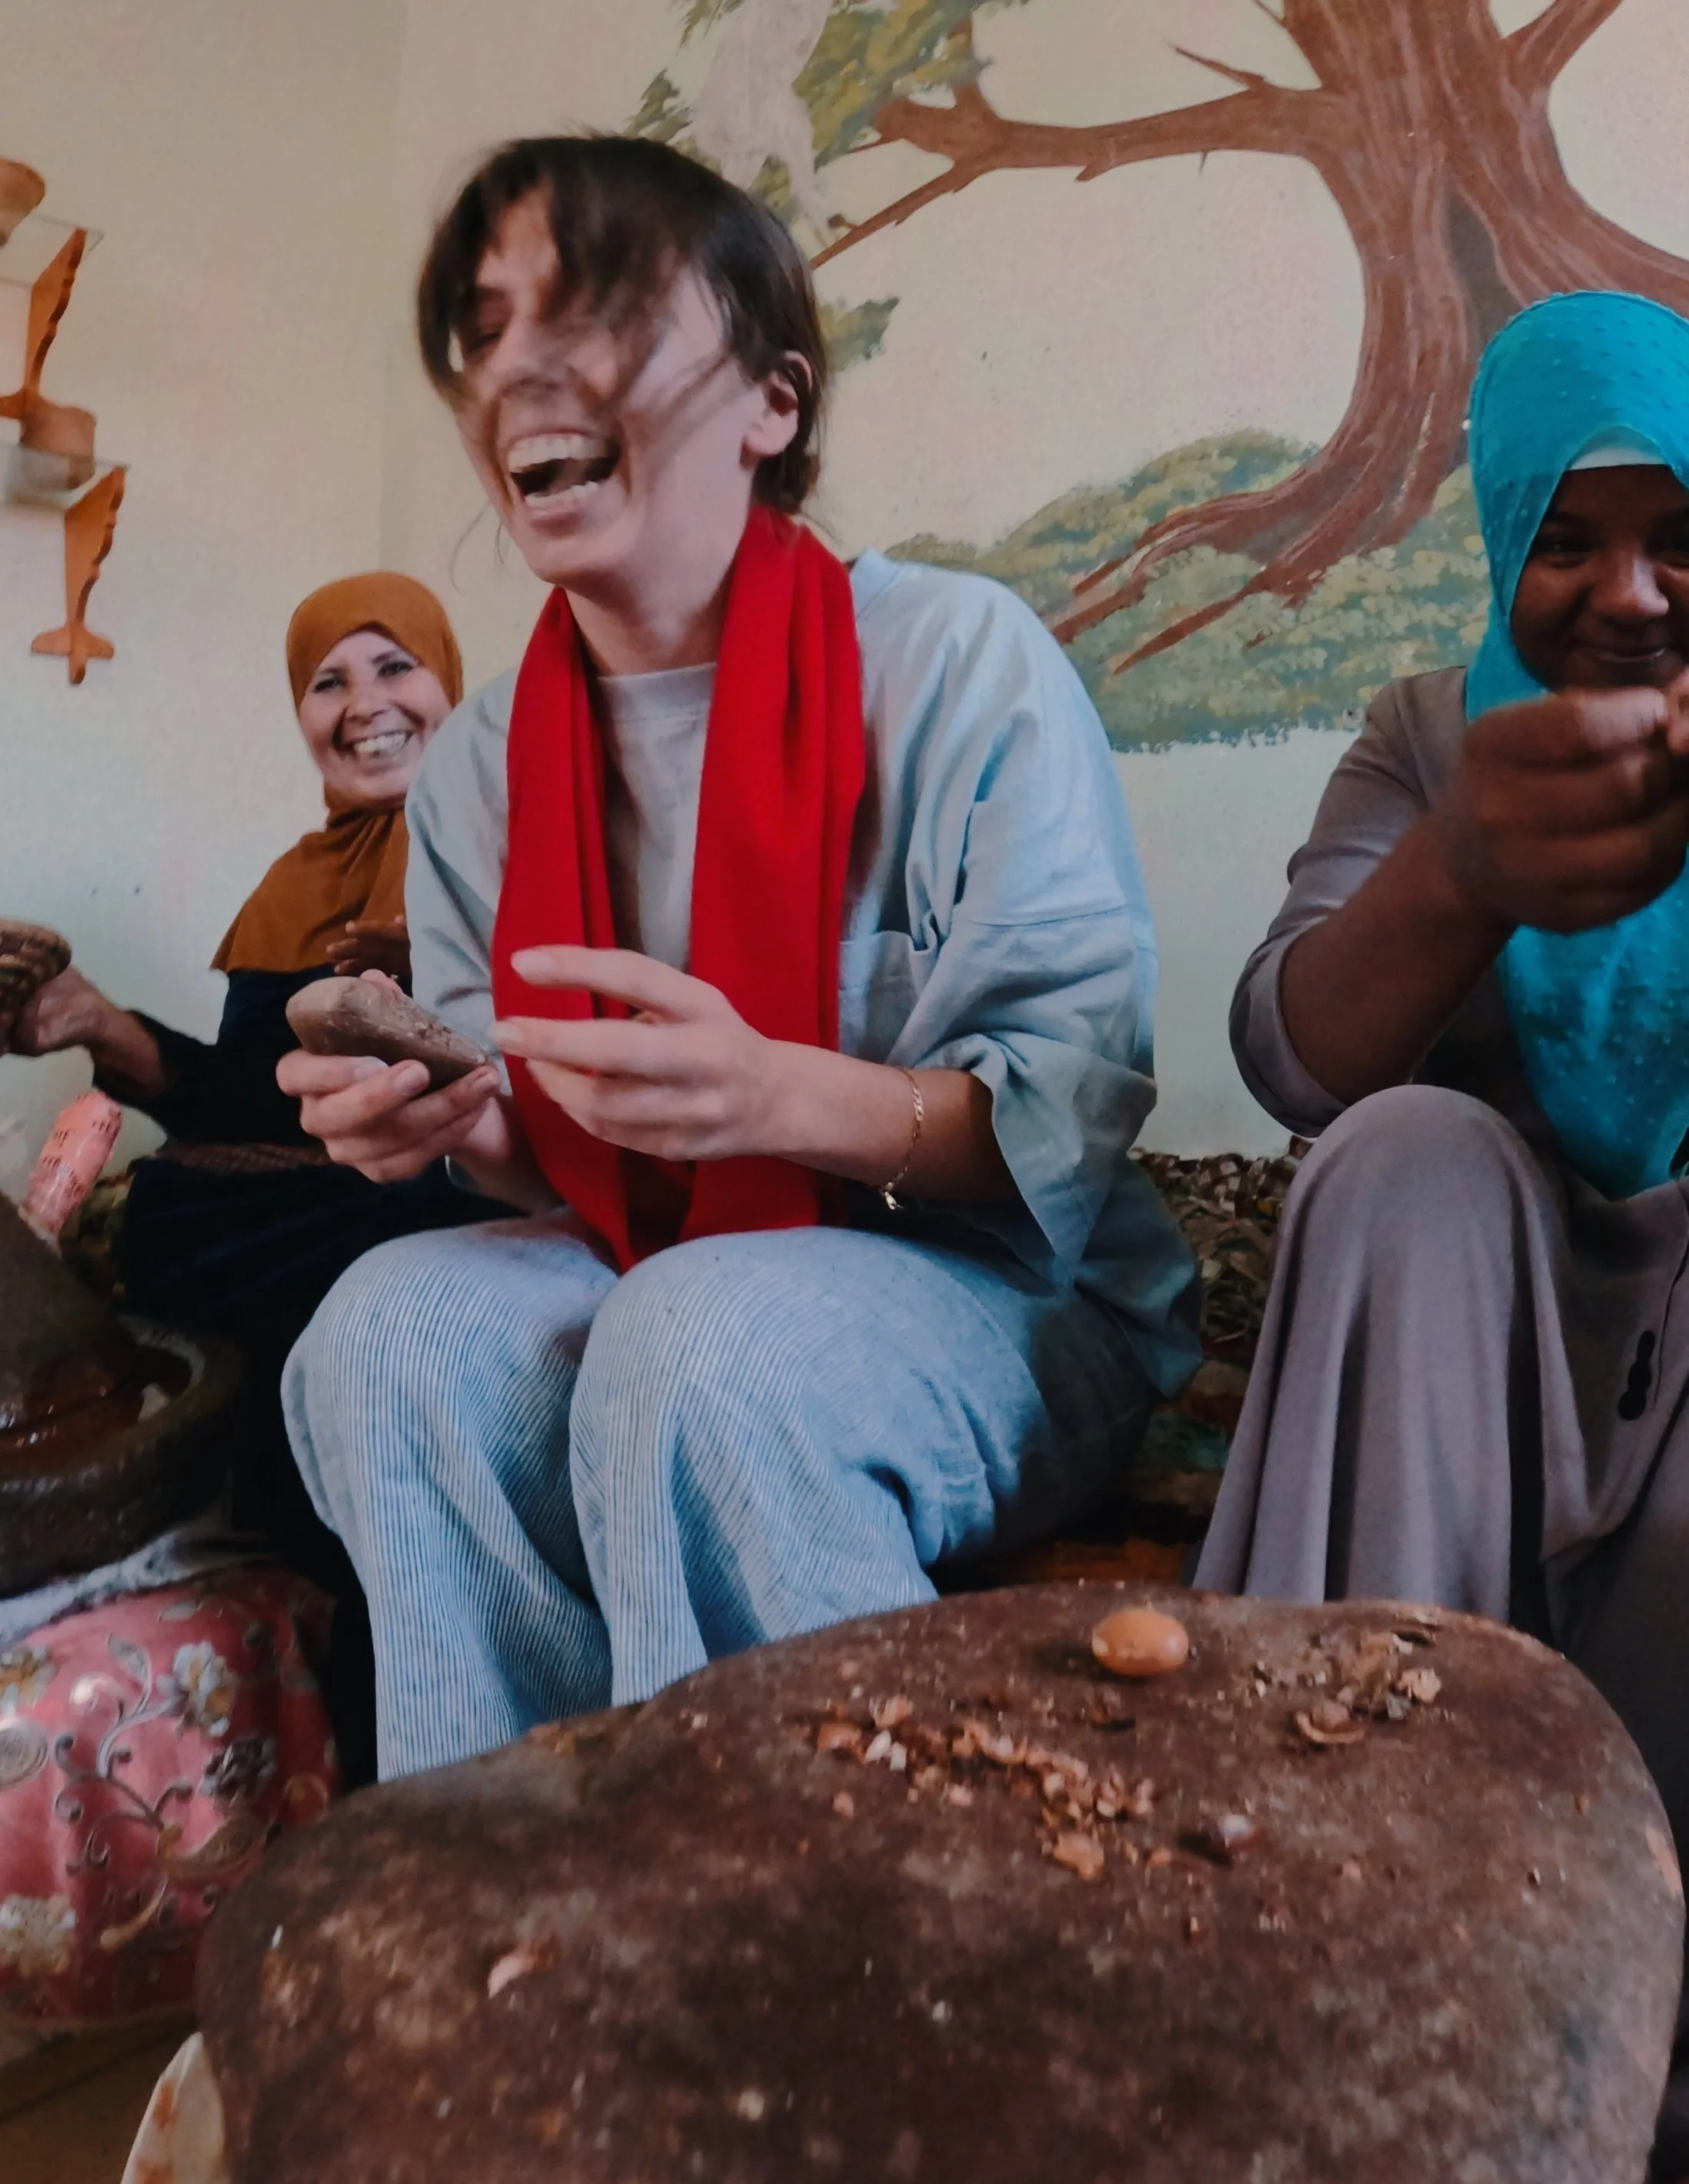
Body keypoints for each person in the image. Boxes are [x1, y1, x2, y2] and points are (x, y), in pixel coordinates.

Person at [276, 135, 1198, 1783]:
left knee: (699, 1344)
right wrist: (441, 1115)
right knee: (380, 1328)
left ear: (770, 402)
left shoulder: (951, 662)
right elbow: (537, 1143)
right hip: (643, 1256)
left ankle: (799, 1931)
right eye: (485, 327)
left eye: (597, 303)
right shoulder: (481, 756)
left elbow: (1064, 1116)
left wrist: (781, 1095)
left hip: (999, 1286)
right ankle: (516, 1892)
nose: (521, 365)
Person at [1198, 290, 1689, 1852]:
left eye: (1678, 534)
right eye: (1562, 541)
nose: (1627, 594)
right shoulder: (1422, 737)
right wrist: (1456, 868)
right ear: (1496, 545)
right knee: (1405, 1150)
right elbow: (1287, 1048)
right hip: (1464, 1340)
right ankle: (1355, 1887)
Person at [0, 575, 496, 1779]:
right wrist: (102, 1025)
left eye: (394, 666)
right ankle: (273, 1593)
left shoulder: (516, 836)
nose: (365, 704)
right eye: (327, 681)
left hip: (449, 1185)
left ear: (452, 683)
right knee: (167, 1213)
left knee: (376, 1228)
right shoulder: (297, 883)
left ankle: (380, 1676)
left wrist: (425, 995)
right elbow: (248, 1096)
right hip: (311, 1196)